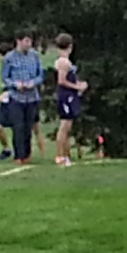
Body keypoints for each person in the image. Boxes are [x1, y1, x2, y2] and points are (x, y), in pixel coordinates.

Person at [0, 32, 44, 163]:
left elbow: (40, 75)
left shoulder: (34, 56)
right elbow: (5, 78)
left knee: (28, 127)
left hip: (31, 97)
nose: (29, 44)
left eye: (30, 41)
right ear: (19, 41)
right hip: (16, 97)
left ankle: (27, 154)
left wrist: (33, 83)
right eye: (26, 41)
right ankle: (18, 156)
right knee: (18, 127)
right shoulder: (9, 58)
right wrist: (15, 84)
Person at [48, 34, 87, 164]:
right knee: (64, 126)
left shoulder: (66, 61)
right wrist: (77, 87)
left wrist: (79, 84)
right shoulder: (63, 62)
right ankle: (60, 156)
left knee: (68, 126)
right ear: (70, 46)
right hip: (66, 96)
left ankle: (65, 154)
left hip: (69, 95)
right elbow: (62, 81)